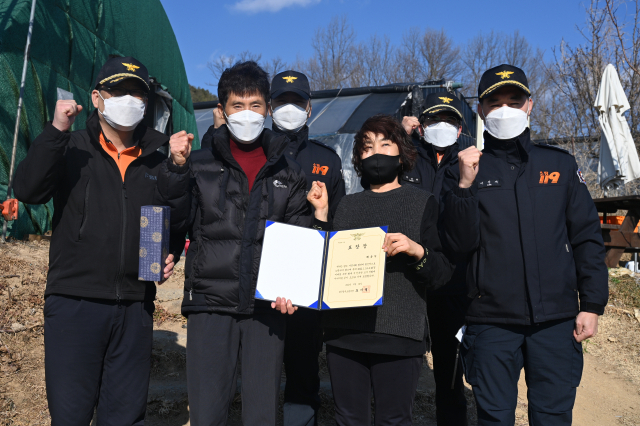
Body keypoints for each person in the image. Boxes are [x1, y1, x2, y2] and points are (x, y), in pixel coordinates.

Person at [12, 56, 178, 425]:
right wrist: (56, 129)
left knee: (124, 417)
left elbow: (175, 219)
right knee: (70, 416)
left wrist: (170, 255)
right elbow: (27, 189)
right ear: (97, 97)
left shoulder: (158, 158)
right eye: (119, 90)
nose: (130, 99)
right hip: (75, 303)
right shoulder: (70, 147)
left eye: (138, 92)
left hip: (135, 307)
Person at [440, 64, 608, 426]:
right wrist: (465, 187)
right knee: (495, 417)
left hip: (556, 320)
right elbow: (457, 244)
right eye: (495, 102)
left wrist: (591, 304)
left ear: (529, 105)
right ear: (481, 109)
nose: (504, 110)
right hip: (490, 321)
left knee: (553, 415)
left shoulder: (559, 165)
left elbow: (586, 238)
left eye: (514, 101)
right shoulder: (463, 169)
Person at [155, 60, 309, 426]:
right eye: (237, 106)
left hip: (266, 307)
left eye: (255, 105)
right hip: (209, 303)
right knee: (208, 413)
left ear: (267, 109)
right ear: (221, 111)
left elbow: (299, 236)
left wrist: (293, 290)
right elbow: (176, 220)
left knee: (262, 414)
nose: (247, 114)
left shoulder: (287, 172)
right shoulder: (198, 164)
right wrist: (175, 171)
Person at [308, 114, 455, 426]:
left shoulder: (423, 202)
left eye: (384, 144)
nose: (374, 152)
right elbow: (324, 264)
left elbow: (441, 273)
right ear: (359, 158)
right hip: (345, 332)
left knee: (394, 419)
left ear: (401, 153)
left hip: (399, 333)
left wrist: (417, 251)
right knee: (348, 418)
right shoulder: (345, 205)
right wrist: (321, 216)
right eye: (366, 146)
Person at [270, 70, 346, 426]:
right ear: (269, 108)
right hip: (262, 281)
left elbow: (339, 224)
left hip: (308, 285)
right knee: (262, 374)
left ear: (309, 108)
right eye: (281, 101)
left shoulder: (328, 160)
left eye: (296, 102)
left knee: (302, 374)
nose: (289, 108)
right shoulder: (256, 153)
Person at [399, 91, 470, 426]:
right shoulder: (408, 158)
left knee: (450, 372)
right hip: (409, 278)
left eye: (450, 119)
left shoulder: (470, 164)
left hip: (453, 281)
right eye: (433, 119)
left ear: (460, 127)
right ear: (421, 125)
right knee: (401, 367)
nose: (442, 126)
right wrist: (400, 134)